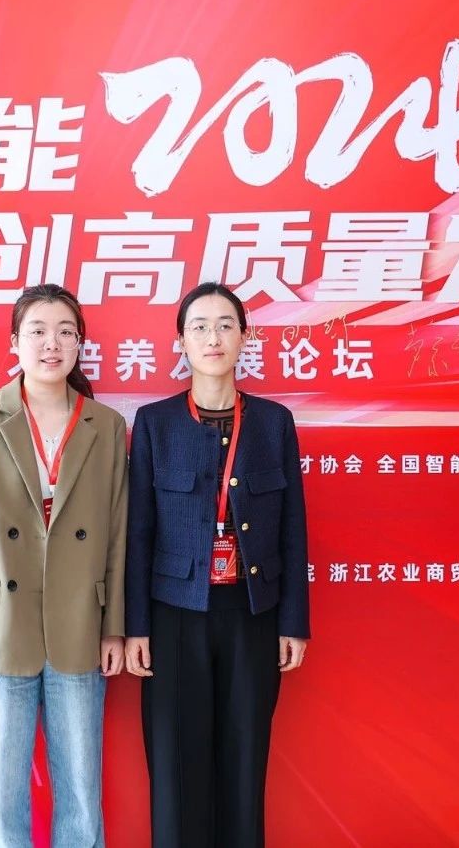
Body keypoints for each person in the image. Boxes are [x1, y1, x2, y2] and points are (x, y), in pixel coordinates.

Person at [124, 282, 310, 847]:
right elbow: (137, 531)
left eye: (226, 325)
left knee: (244, 761)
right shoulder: (154, 423)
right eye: (199, 327)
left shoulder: (273, 422)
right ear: (181, 340)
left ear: (244, 337)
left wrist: (293, 623)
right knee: (176, 767)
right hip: (174, 616)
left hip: (253, 614)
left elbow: (294, 529)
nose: (213, 337)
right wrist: (135, 627)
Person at [0, 283, 127, 848]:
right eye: (39, 332)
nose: (53, 344)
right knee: (1, 792)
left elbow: (118, 533)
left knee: (82, 792)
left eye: (66, 332)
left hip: (80, 624)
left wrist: (114, 628)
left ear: (80, 345)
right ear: (14, 343)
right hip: (1, 625)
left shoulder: (106, 425)